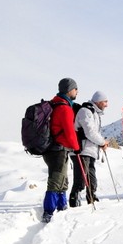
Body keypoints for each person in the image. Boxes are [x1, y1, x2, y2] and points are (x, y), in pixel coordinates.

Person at [41, 78, 81, 223]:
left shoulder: (55, 104)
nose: (77, 92)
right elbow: (70, 132)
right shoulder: (64, 108)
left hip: (51, 148)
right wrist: (76, 148)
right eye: (76, 89)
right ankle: (49, 212)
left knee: (61, 180)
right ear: (69, 90)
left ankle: (61, 207)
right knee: (56, 180)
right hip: (57, 149)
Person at [69, 91, 109, 207]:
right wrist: (102, 142)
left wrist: (100, 144)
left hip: (89, 151)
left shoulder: (94, 113)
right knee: (81, 180)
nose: (107, 105)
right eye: (105, 102)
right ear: (99, 101)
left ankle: (91, 199)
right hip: (81, 150)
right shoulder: (86, 111)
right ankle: (74, 200)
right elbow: (90, 132)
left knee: (92, 180)